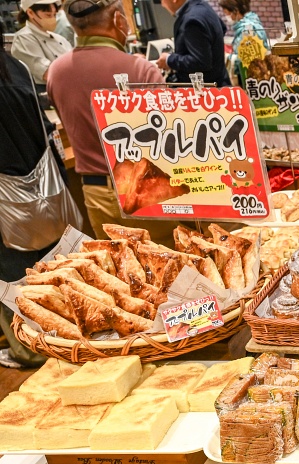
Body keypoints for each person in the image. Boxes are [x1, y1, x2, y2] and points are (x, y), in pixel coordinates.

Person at [47, 0, 172, 243]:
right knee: (168, 268)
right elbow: (168, 141)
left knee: (116, 270)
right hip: (145, 190)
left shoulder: (56, 72)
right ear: (117, 20)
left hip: (96, 194)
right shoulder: (141, 70)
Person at [0, 27, 72, 368]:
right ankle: (66, 338)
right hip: (42, 189)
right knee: (50, 266)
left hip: (5, 203)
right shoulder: (17, 68)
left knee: (11, 273)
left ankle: (28, 349)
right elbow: (46, 130)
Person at [156, 0, 230, 86]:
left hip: (207, 92)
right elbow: (222, 29)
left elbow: (200, 61)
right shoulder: (203, 6)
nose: (162, 4)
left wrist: (169, 60)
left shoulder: (191, 20)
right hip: (220, 82)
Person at [10, 0, 72, 89]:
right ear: (30, 13)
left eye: (54, 15)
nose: (52, 19)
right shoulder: (24, 38)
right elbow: (47, 73)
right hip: (45, 93)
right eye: (48, 15)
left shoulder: (59, 38)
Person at [220, 0, 267, 84]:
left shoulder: (247, 29)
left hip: (251, 78)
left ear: (236, 11)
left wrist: (228, 57)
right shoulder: (252, 24)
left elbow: (245, 58)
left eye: (227, 13)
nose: (227, 17)